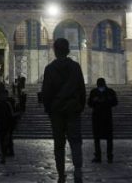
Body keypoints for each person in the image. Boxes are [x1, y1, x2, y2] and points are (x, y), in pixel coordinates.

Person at [40, 38, 86, 183]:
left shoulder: (50, 69)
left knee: (59, 144)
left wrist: (49, 109)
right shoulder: (75, 67)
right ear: (67, 50)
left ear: (55, 50)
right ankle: (77, 170)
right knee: (75, 141)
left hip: (57, 111)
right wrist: (79, 106)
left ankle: (61, 174)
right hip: (73, 109)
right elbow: (82, 90)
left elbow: (46, 92)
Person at [87, 77, 118, 163]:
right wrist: (95, 101)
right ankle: (107, 156)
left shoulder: (99, 92)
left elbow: (115, 102)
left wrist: (106, 101)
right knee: (102, 138)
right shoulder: (106, 91)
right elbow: (89, 103)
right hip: (100, 117)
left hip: (104, 117)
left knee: (103, 138)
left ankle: (102, 156)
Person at [0, 87, 17, 163]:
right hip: (0, 124)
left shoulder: (8, 103)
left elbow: (11, 115)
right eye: (2, 95)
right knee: (2, 139)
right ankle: (4, 153)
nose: (3, 96)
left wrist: (12, 125)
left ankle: (7, 153)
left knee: (7, 139)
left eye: (5, 95)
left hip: (8, 125)